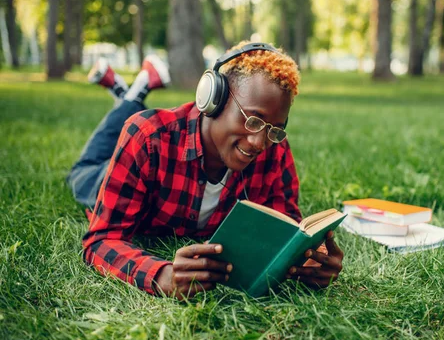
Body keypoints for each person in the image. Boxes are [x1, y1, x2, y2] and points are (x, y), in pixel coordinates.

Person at [68, 42, 344, 299]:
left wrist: (309, 259)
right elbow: (101, 241)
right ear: (214, 100)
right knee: (81, 173)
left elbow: (287, 229)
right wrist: (162, 275)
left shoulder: (274, 149)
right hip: (100, 178)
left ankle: (129, 90)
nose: (259, 142)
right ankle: (132, 94)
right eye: (252, 120)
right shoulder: (147, 137)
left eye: (273, 129)